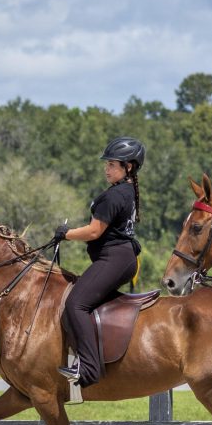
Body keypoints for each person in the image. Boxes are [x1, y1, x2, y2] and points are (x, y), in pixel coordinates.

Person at [54, 136, 144, 387]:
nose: (106, 169)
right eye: (107, 164)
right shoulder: (126, 192)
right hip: (121, 258)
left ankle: (89, 370)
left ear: (128, 167)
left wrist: (66, 234)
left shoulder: (115, 195)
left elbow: (94, 232)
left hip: (114, 258)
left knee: (75, 303)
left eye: (112, 165)